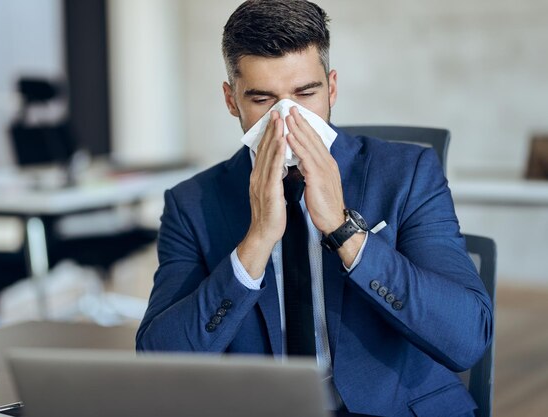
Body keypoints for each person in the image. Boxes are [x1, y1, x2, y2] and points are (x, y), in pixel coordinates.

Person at [136, 1, 493, 416]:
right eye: (262, 99)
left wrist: (345, 232)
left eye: (306, 94)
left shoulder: (407, 174)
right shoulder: (191, 203)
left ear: (332, 88)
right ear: (232, 100)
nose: (286, 118)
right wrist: (255, 244)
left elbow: (467, 337)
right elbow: (160, 363)